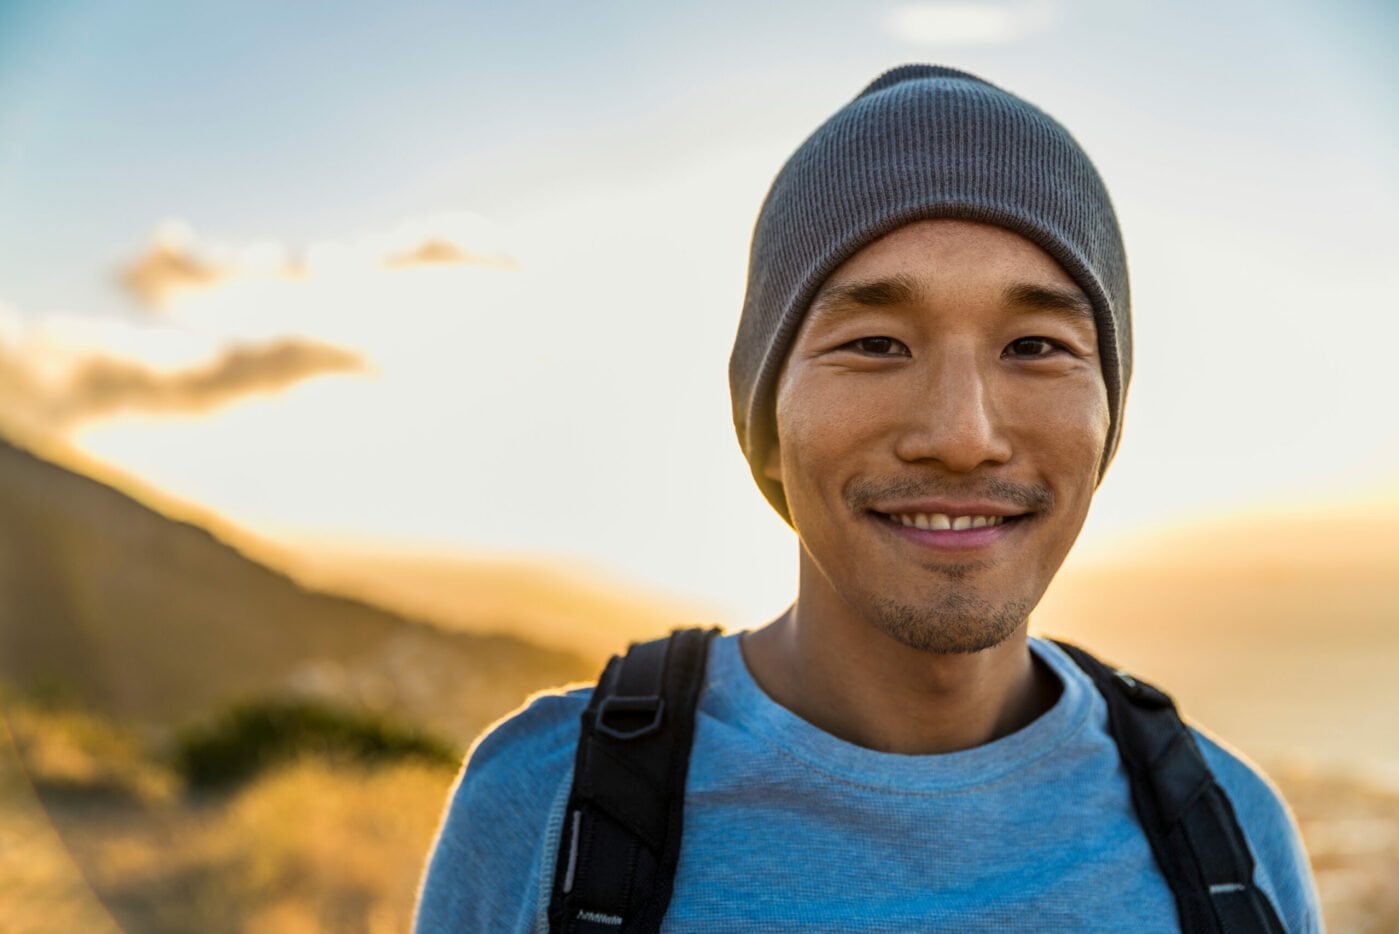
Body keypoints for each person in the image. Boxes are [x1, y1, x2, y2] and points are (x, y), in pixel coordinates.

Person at [413, 64, 1321, 933]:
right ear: (764, 421)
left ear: (1108, 420)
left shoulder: (1232, 839)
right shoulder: (546, 809)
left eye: (1036, 346)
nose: (964, 435)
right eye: (878, 343)